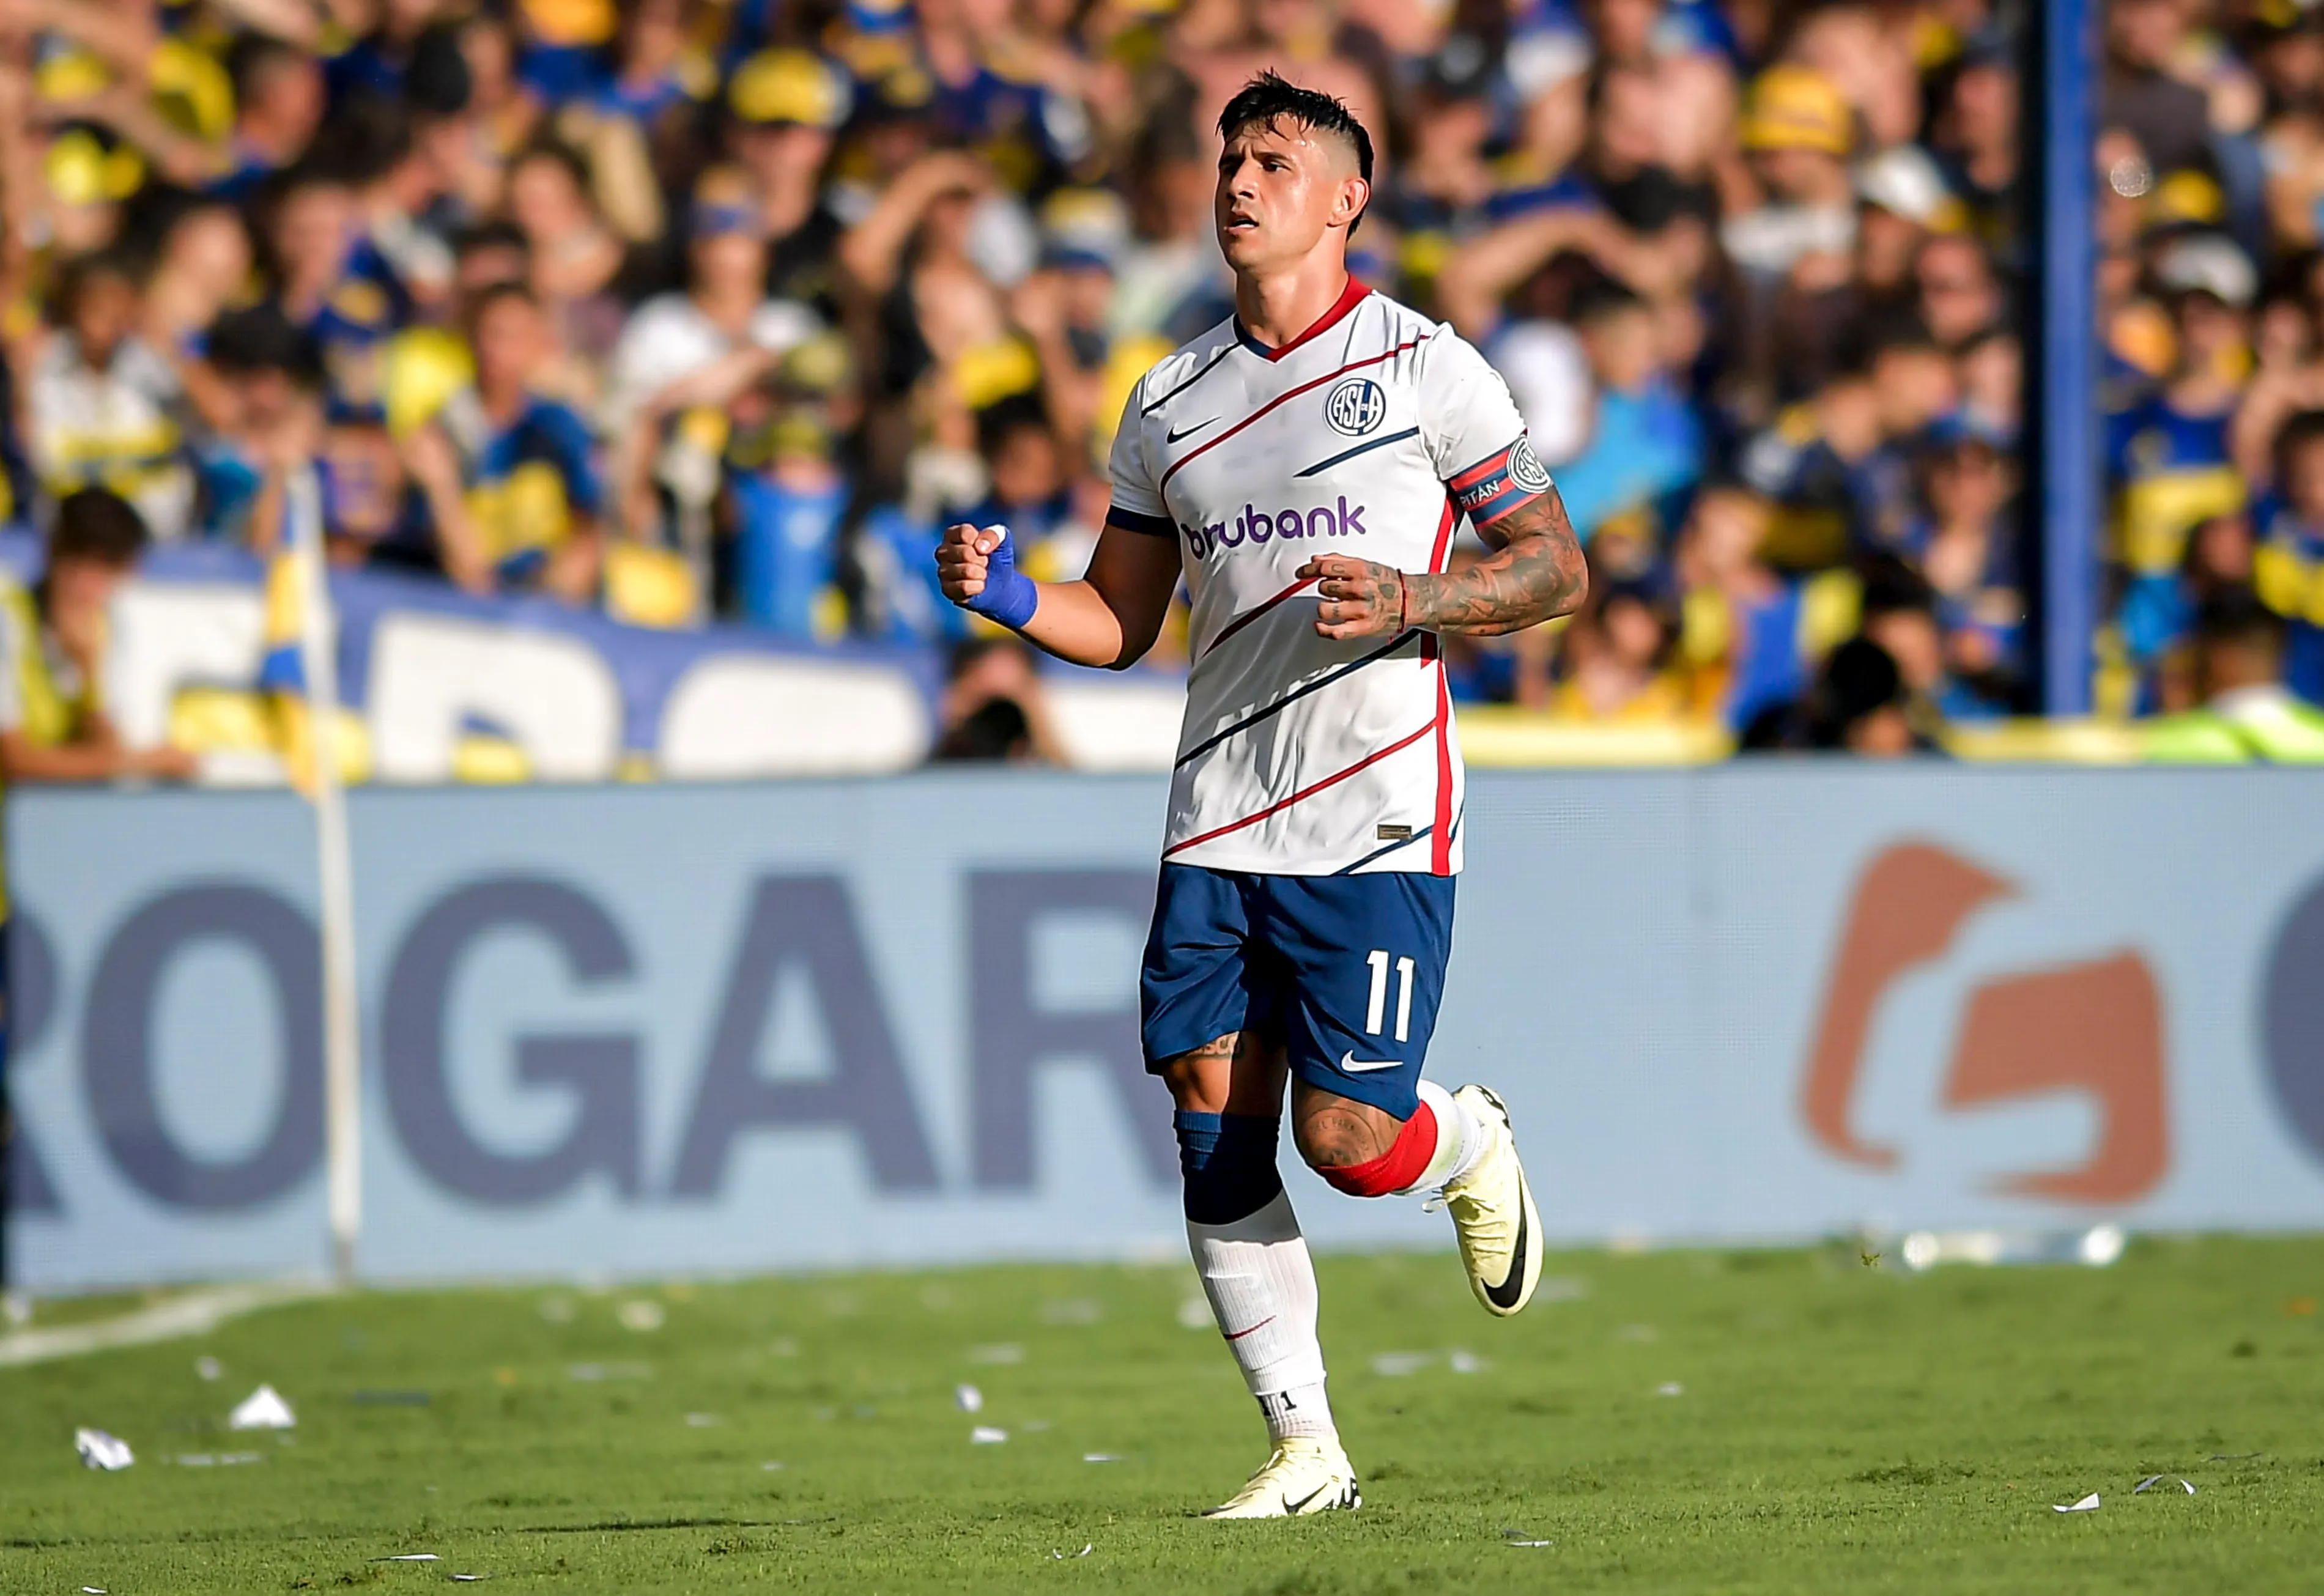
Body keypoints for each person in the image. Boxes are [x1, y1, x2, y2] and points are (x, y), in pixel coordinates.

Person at [934, 74, 1586, 1518]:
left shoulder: (1426, 370)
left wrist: (1419, 593)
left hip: (1375, 814)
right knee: (1208, 1107)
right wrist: (1009, 596)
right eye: (1229, 157)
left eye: (1274, 160)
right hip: (1218, 813)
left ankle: (1467, 1139)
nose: (1240, 179)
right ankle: (1307, 1448)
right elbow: (1118, 614)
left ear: (1344, 198)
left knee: (1348, 1147)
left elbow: (1556, 566)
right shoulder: (1168, 399)